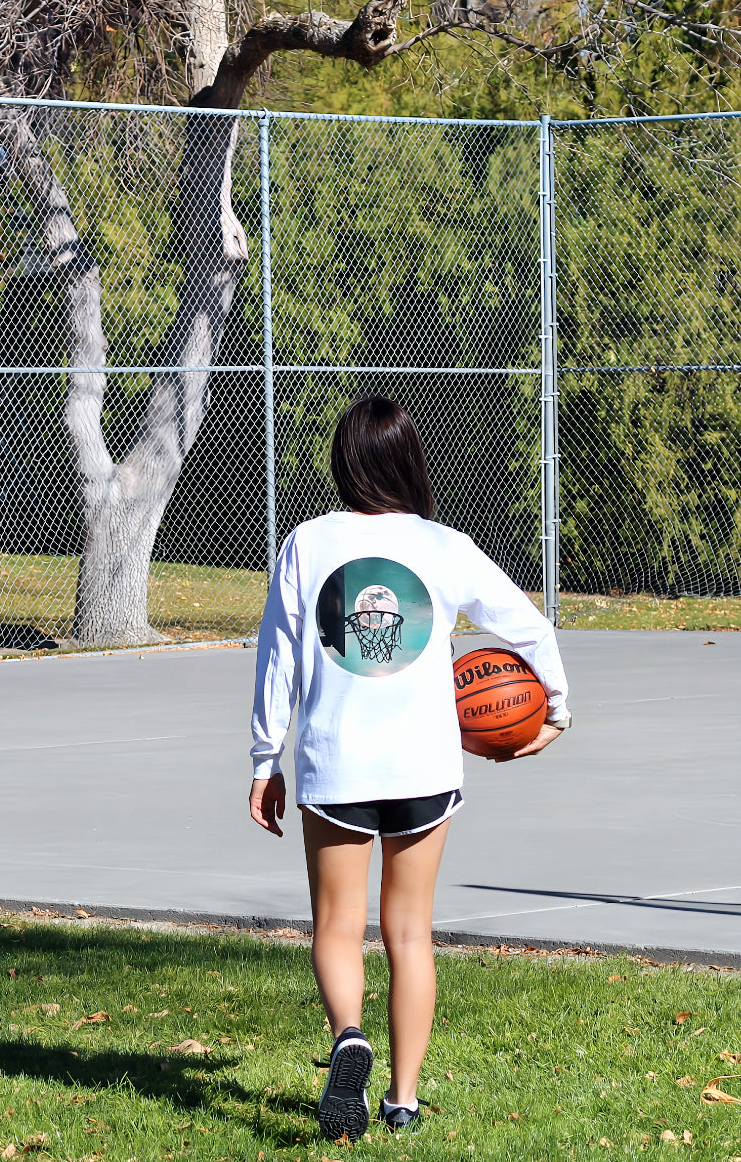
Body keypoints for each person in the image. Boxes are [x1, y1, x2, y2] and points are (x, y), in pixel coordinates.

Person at [248, 396, 570, 1142]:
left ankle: (347, 1039)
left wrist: (265, 759)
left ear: (342, 464)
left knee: (335, 924)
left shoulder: (305, 543)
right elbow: (528, 624)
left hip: (337, 764)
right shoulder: (442, 545)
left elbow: (276, 659)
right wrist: (555, 708)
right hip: (423, 767)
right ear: (408, 461)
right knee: (410, 933)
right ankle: (402, 1099)